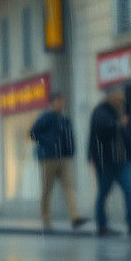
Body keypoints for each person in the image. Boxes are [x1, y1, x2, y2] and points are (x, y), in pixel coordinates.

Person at [29, 93, 86, 232]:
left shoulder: (65, 119)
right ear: (52, 103)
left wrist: (70, 151)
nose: (61, 104)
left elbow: (69, 136)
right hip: (48, 158)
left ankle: (75, 217)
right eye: (59, 101)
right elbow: (33, 133)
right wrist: (49, 142)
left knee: (69, 187)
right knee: (47, 189)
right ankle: (46, 219)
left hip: (63, 158)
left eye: (62, 101)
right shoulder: (45, 117)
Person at [87, 85, 131, 236]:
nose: (121, 98)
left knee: (129, 190)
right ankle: (102, 225)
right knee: (103, 193)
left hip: (123, 160)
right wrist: (119, 124)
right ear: (111, 97)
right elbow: (100, 131)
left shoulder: (121, 111)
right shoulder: (100, 111)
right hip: (106, 162)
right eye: (119, 96)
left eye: (122, 96)